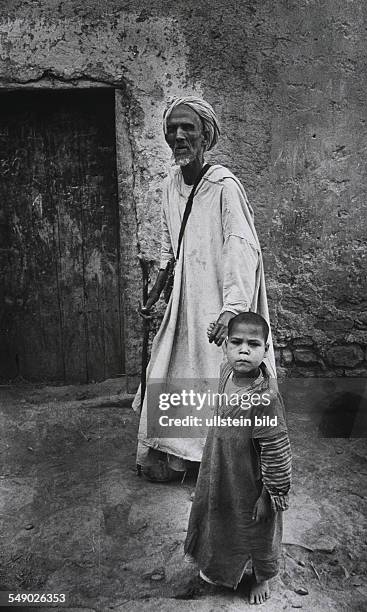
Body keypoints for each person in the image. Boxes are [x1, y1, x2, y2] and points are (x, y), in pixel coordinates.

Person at [132, 96, 277, 481]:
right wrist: (155, 295)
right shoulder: (168, 186)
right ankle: (182, 455)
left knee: (222, 374)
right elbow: (168, 249)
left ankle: (221, 462)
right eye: (172, 129)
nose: (179, 136)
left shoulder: (224, 185)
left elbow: (240, 246)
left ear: (205, 136)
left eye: (188, 128)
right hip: (186, 299)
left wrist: (232, 308)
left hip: (219, 295)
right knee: (175, 367)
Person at [184, 312, 292, 604]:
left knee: (255, 524)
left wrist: (269, 495)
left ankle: (261, 576)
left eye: (253, 344)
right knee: (220, 514)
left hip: (251, 476)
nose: (244, 350)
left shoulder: (266, 400)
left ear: (266, 349)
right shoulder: (225, 373)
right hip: (222, 465)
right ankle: (221, 563)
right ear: (226, 346)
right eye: (236, 342)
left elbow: (276, 451)